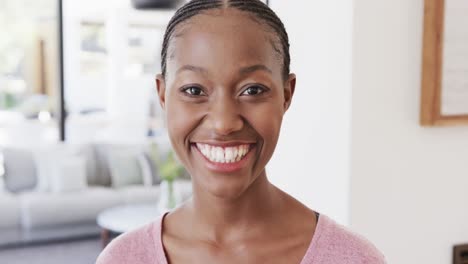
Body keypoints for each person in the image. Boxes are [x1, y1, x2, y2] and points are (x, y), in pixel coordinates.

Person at [96, 0, 386, 263]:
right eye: (194, 90)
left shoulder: (353, 259)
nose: (223, 123)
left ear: (286, 95)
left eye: (252, 90)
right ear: (163, 96)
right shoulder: (123, 259)